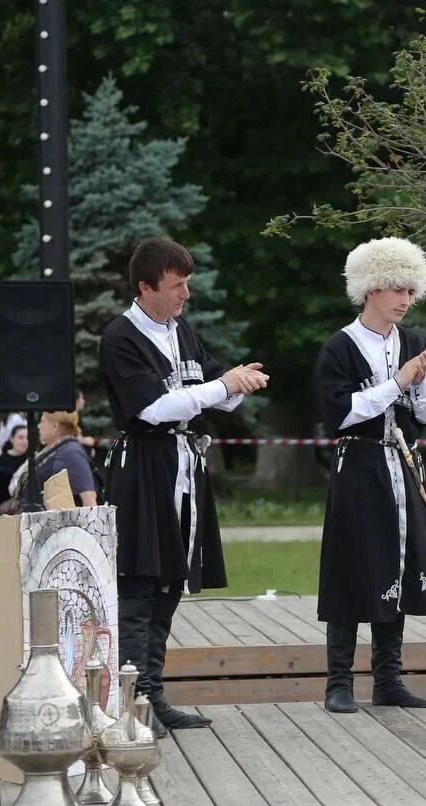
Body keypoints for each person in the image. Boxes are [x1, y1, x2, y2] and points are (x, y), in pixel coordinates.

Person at [99, 236, 268, 736]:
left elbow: (212, 383)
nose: (185, 294)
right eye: (176, 285)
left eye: (187, 284)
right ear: (145, 286)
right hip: (144, 468)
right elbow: (151, 408)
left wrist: (238, 383)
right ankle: (129, 703)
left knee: (170, 584)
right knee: (138, 585)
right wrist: (221, 387)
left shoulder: (181, 331)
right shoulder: (121, 336)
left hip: (182, 468)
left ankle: (152, 694)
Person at [314, 237, 426, 714]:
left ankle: (388, 679)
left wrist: (420, 384)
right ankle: (339, 682)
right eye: (396, 288)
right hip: (361, 465)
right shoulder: (341, 347)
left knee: (399, 564)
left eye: (410, 290)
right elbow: (342, 413)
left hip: (403, 465)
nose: (405, 300)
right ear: (370, 289)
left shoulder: (410, 342)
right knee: (355, 564)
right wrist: (398, 381)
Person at [7, 411, 100, 508]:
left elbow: (89, 501)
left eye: (42, 421)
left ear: (55, 426)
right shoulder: (56, 449)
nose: (38, 426)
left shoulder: (71, 452)